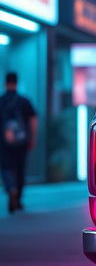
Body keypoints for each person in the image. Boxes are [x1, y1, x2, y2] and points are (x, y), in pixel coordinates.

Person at [0, 73, 37, 213]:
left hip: (4, 143)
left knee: (6, 167)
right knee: (20, 168)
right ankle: (19, 199)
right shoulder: (24, 101)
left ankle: (11, 188)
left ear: (5, 83)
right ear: (17, 83)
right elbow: (33, 121)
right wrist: (32, 138)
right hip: (22, 141)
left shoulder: (1, 101)